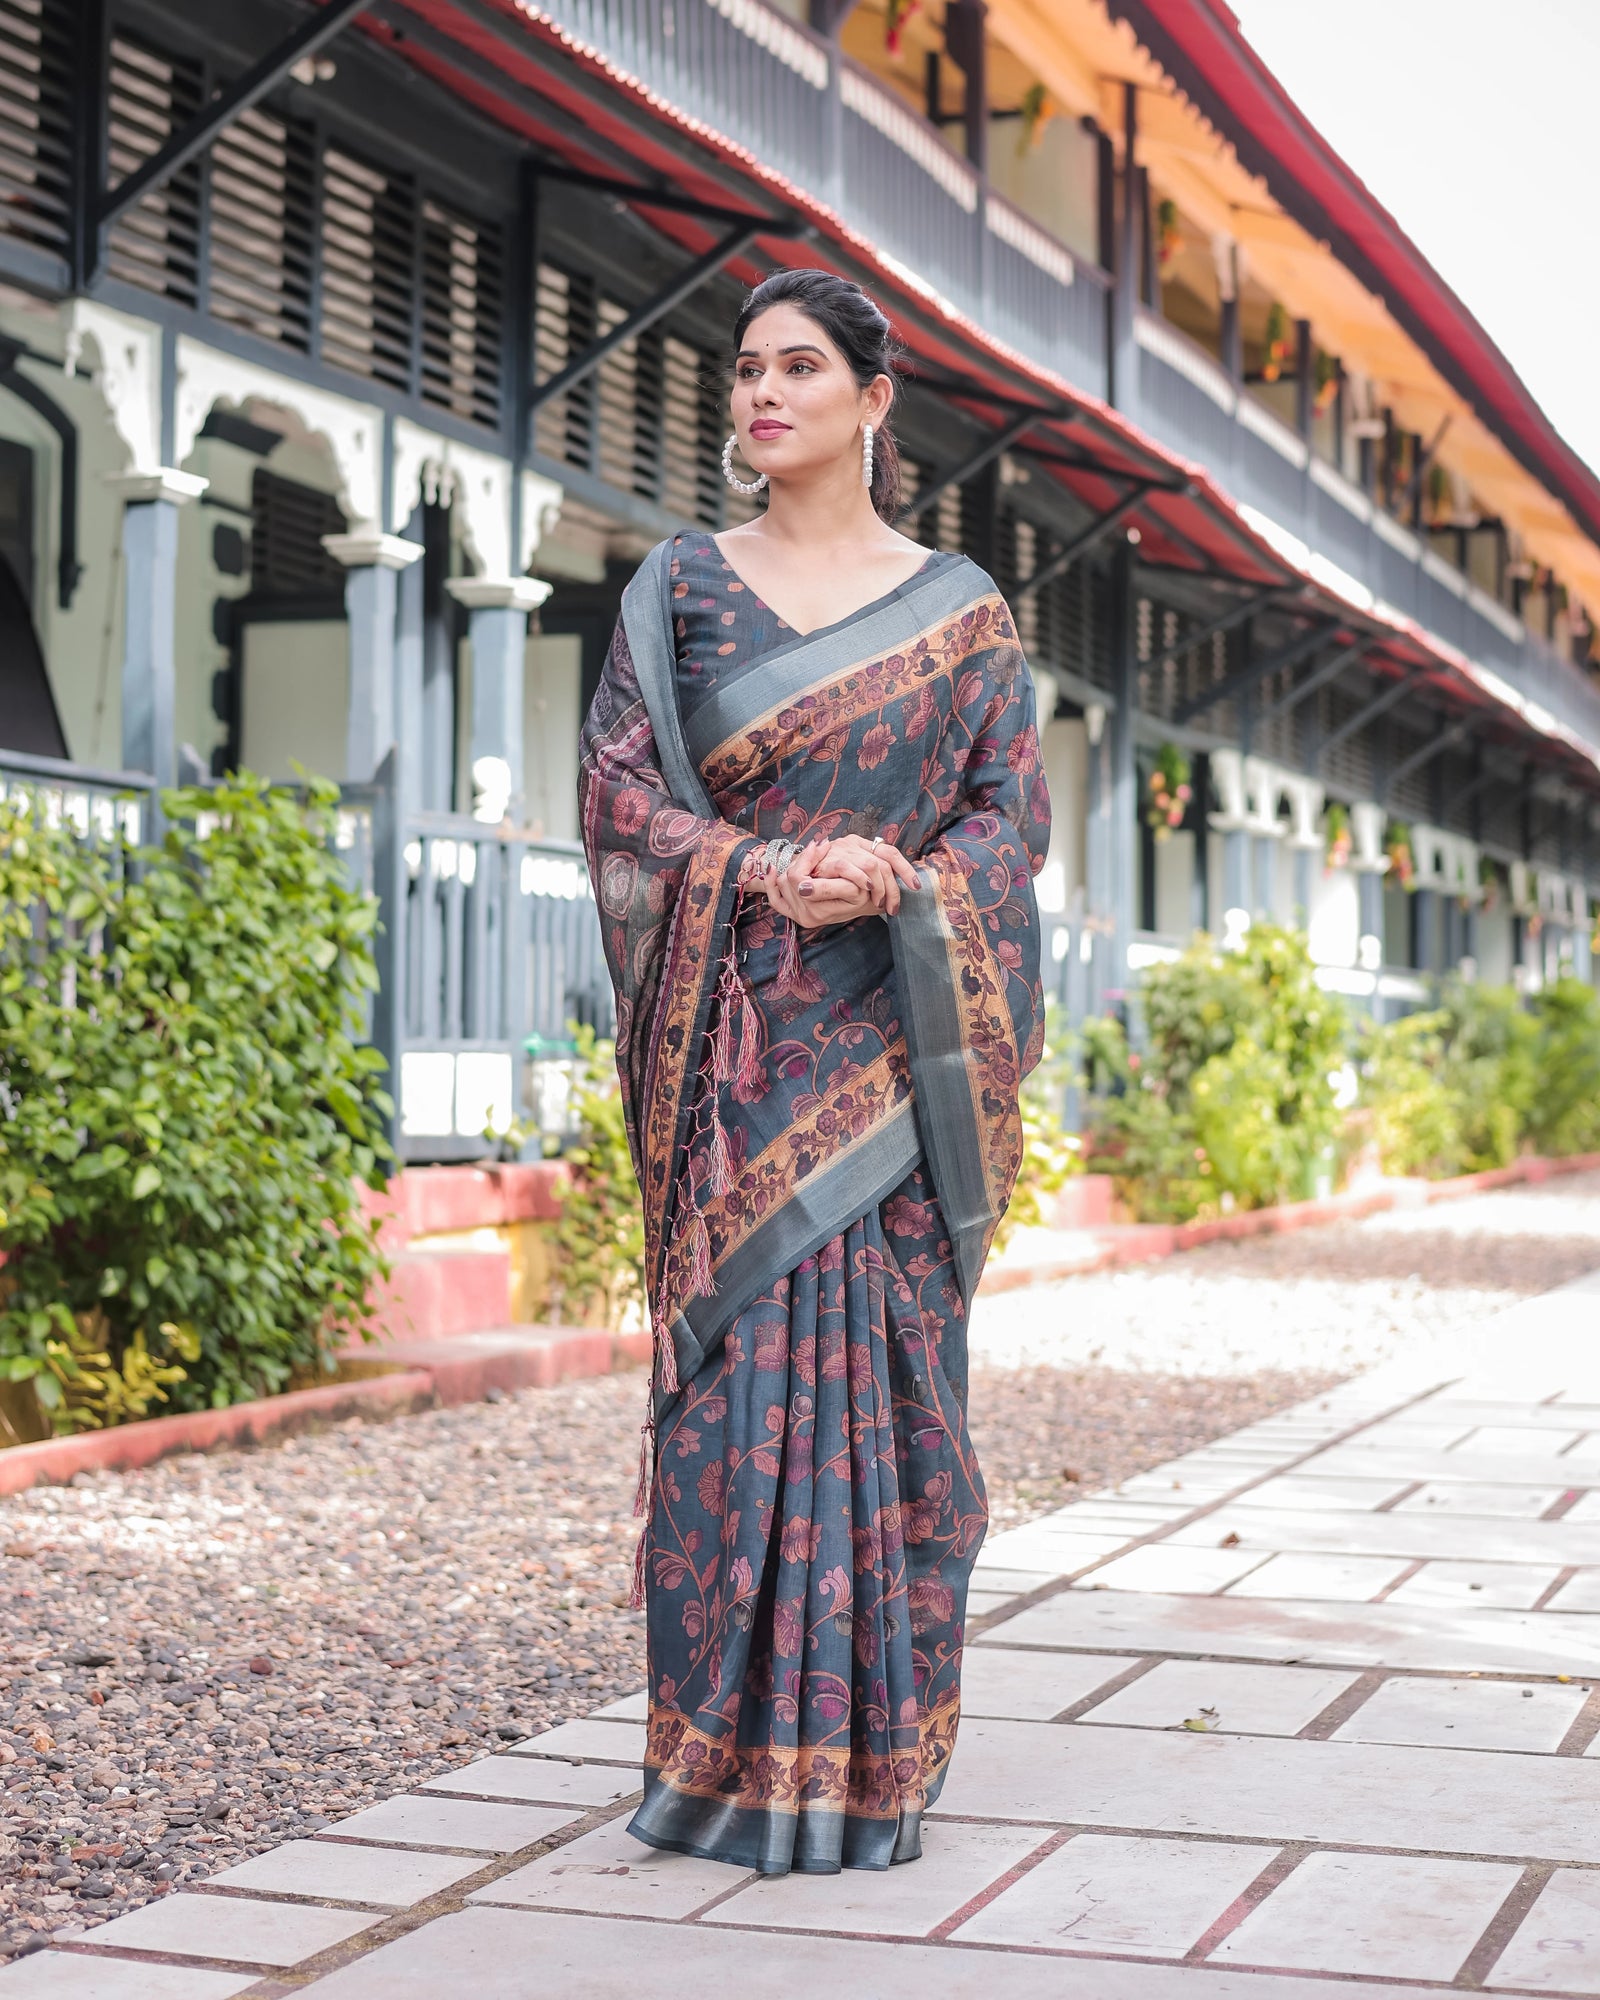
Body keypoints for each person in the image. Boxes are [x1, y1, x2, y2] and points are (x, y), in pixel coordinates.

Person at [578, 267, 1050, 1876]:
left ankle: (868, 1764)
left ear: (872, 398)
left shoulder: (964, 613)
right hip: (736, 1059)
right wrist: (762, 870)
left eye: (797, 368)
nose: (760, 395)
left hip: (894, 1061)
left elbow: (1006, 822)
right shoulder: (682, 592)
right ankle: (713, 1760)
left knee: (898, 1397)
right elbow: (621, 800)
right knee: (733, 1404)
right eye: (744, 371)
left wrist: (907, 885)